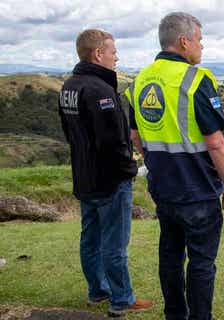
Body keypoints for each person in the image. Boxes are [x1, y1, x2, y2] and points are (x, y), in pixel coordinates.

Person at [125, 12, 224, 320]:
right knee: (201, 262)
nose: (202, 47)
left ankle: (175, 315)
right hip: (199, 190)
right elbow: (215, 143)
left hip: (164, 189)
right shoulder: (196, 79)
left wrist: (155, 164)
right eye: (200, 40)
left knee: (170, 256)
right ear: (184, 41)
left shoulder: (140, 82)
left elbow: (135, 135)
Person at [58, 29, 153, 317]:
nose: (117, 57)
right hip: (110, 180)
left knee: (90, 238)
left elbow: (70, 134)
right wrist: (129, 168)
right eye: (113, 52)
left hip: (84, 177)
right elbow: (113, 141)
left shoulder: (69, 87)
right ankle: (121, 299)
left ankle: (97, 291)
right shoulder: (101, 91)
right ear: (98, 53)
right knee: (115, 243)